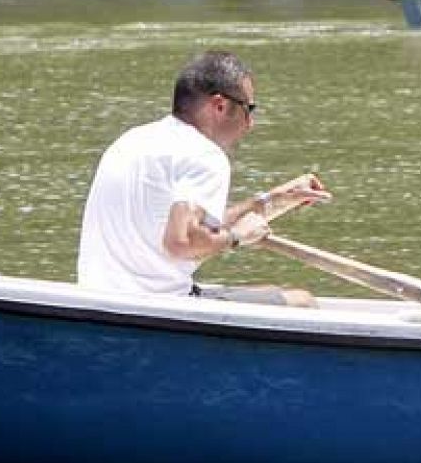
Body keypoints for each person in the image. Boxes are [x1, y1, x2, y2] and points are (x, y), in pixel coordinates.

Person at [77, 50, 331, 302]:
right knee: (303, 301)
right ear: (220, 105)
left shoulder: (133, 139)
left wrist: (275, 200)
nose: (250, 123)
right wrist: (236, 238)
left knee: (268, 291)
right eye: (248, 108)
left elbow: (194, 230)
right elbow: (182, 241)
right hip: (161, 305)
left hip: (98, 300)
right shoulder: (205, 155)